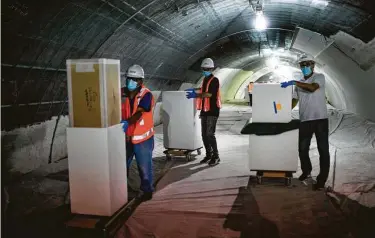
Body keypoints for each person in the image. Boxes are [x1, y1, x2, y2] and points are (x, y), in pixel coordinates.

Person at [280, 55, 330, 191]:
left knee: (323, 150)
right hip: (305, 120)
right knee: (302, 149)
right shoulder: (300, 82)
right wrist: (281, 111)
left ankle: (321, 180)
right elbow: (294, 100)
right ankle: (306, 171)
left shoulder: (319, 77)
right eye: (302, 65)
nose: (305, 67)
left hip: (320, 119)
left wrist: (294, 82)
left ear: (313, 65)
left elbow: (312, 88)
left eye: (307, 64)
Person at [121, 64, 155, 201]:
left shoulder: (146, 95)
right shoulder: (121, 93)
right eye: (129, 78)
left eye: (134, 79)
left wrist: (127, 122)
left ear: (141, 81)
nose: (131, 82)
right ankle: (121, 188)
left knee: (144, 168)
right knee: (122, 165)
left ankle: (147, 191)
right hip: (126, 137)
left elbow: (139, 113)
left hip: (143, 139)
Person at [185, 58, 222, 166]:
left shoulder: (215, 80)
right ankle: (208, 155)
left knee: (210, 134)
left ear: (211, 69)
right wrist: (195, 90)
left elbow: (209, 94)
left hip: (213, 110)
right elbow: (203, 90)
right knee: (204, 135)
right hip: (205, 110)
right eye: (204, 69)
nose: (205, 70)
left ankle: (216, 156)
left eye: (207, 69)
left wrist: (195, 95)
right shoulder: (205, 80)